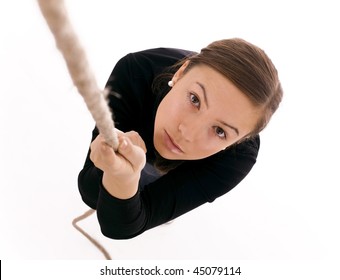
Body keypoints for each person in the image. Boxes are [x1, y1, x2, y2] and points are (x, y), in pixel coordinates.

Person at [78, 38, 283, 240]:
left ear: (238, 142)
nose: (186, 132)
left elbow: (123, 226)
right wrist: (118, 173)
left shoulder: (238, 157)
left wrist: (125, 179)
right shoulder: (137, 71)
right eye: (194, 99)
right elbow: (89, 192)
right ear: (180, 73)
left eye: (220, 131)